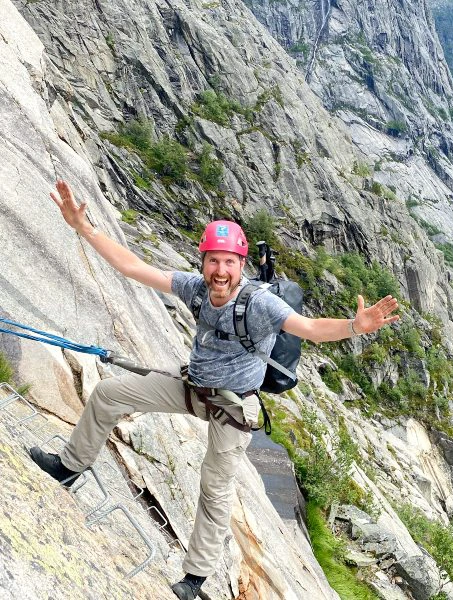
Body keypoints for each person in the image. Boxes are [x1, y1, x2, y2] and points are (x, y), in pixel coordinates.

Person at [29, 180, 400, 599]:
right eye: (213, 261)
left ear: (240, 265)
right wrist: (85, 228)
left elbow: (311, 329)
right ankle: (70, 467)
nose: (220, 271)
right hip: (192, 385)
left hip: (232, 407)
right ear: (203, 262)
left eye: (228, 262)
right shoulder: (196, 288)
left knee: (215, 485)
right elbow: (133, 268)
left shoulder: (261, 304)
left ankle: (195, 578)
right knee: (109, 395)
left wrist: (355, 327)